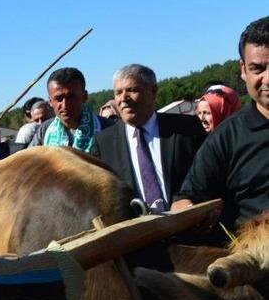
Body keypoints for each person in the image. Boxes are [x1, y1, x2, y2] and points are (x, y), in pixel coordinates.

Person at [172, 16, 269, 230]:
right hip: (254, 257)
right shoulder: (226, 137)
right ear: (243, 69)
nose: (268, 78)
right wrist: (191, 212)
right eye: (258, 69)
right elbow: (185, 199)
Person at [90, 64, 205, 213]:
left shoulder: (186, 129)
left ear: (153, 91)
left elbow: (208, 175)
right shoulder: (104, 143)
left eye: (132, 90)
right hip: (137, 233)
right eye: (118, 93)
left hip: (190, 226)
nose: (124, 99)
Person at [29, 67, 115, 152]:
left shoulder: (109, 128)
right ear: (50, 101)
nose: (65, 105)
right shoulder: (44, 131)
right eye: (59, 98)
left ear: (84, 96)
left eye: (71, 97)